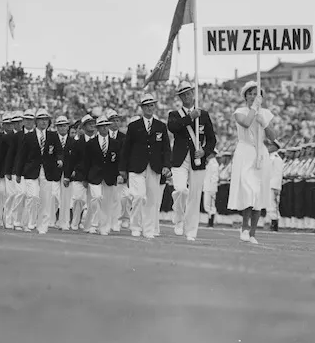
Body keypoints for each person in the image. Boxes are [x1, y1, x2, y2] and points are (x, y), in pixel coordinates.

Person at [227, 81, 277, 244]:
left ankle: (253, 233)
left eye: (256, 93)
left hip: (261, 152)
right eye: (250, 93)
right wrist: (254, 109)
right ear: (245, 95)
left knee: (259, 193)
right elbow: (247, 123)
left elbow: (273, 136)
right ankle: (244, 227)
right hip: (245, 151)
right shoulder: (239, 112)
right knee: (248, 191)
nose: (253, 96)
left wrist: (264, 123)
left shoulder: (266, 113)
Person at [167, 81, 217, 242]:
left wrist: (205, 151)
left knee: (195, 197)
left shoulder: (204, 114)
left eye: (189, 93)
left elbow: (212, 140)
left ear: (193, 94)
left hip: (197, 159)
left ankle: (191, 230)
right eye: (183, 94)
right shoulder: (174, 114)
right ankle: (179, 218)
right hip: (180, 159)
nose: (186, 96)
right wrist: (190, 117)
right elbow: (173, 128)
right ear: (180, 97)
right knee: (181, 190)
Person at [119, 94, 171, 239]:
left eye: (151, 105)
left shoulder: (161, 126)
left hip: (154, 167)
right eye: (146, 105)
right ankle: (135, 226)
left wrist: (167, 165)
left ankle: (148, 229)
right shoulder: (134, 126)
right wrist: (122, 168)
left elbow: (166, 148)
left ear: (154, 107)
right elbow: (126, 149)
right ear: (142, 108)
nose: (149, 108)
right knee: (139, 196)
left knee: (152, 199)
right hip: (136, 167)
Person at [83, 116, 122, 235]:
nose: (104, 128)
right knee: (97, 198)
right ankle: (93, 224)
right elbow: (86, 162)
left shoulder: (115, 143)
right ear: (98, 128)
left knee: (107, 203)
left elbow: (118, 161)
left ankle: (104, 226)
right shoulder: (90, 144)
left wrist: (117, 175)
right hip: (94, 176)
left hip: (109, 176)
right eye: (102, 126)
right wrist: (85, 178)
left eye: (106, 125)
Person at [266, 139, 285, 231]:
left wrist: (275, 187)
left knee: (273, 205)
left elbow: (277, 174)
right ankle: (271, 223)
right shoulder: (269, 158)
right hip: (268, 185)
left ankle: (275, 224)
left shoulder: (277, 159)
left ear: (275, 147)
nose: (268, 147)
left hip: (273, 186)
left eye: (270, 146)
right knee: (269, 205)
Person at [203, 152, 219, 228]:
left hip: (211, 187)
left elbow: (215, 177)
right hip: (207, 187)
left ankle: (211, 223)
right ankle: (209, 222)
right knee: (207, 205)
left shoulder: (214, 164)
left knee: (211, 206)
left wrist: (213, 188)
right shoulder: (209, 163)